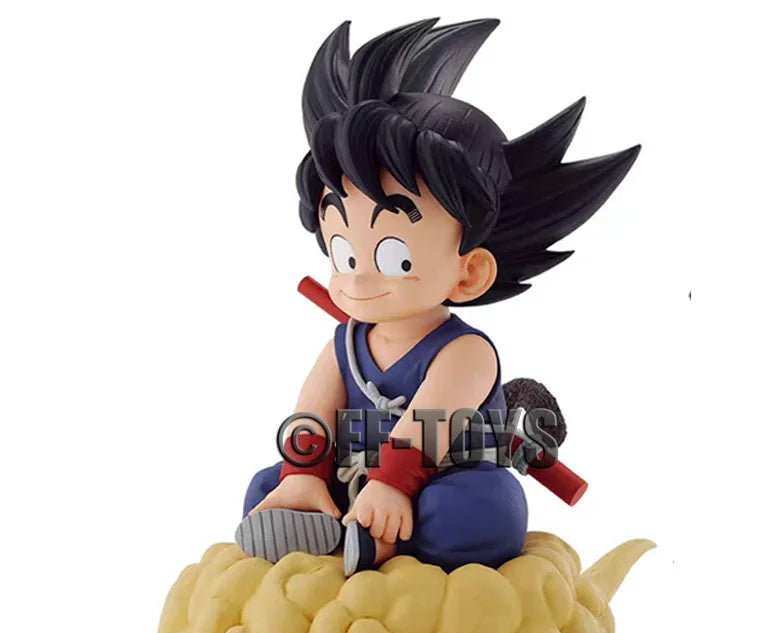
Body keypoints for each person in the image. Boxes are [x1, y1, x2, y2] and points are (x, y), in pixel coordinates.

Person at [236, 18, 639, 575]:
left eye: (392, 257)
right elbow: (312, 412)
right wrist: (302, 472)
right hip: (356, 472)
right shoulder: (345, 342)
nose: (356, 279)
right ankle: (335, 525)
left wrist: (392, 485)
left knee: (477, 511)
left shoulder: (464, 353)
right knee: (265, 484)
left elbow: (429, 423)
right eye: (343, 251)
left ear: (468, 273)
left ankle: (376, 542)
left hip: (439, 477)